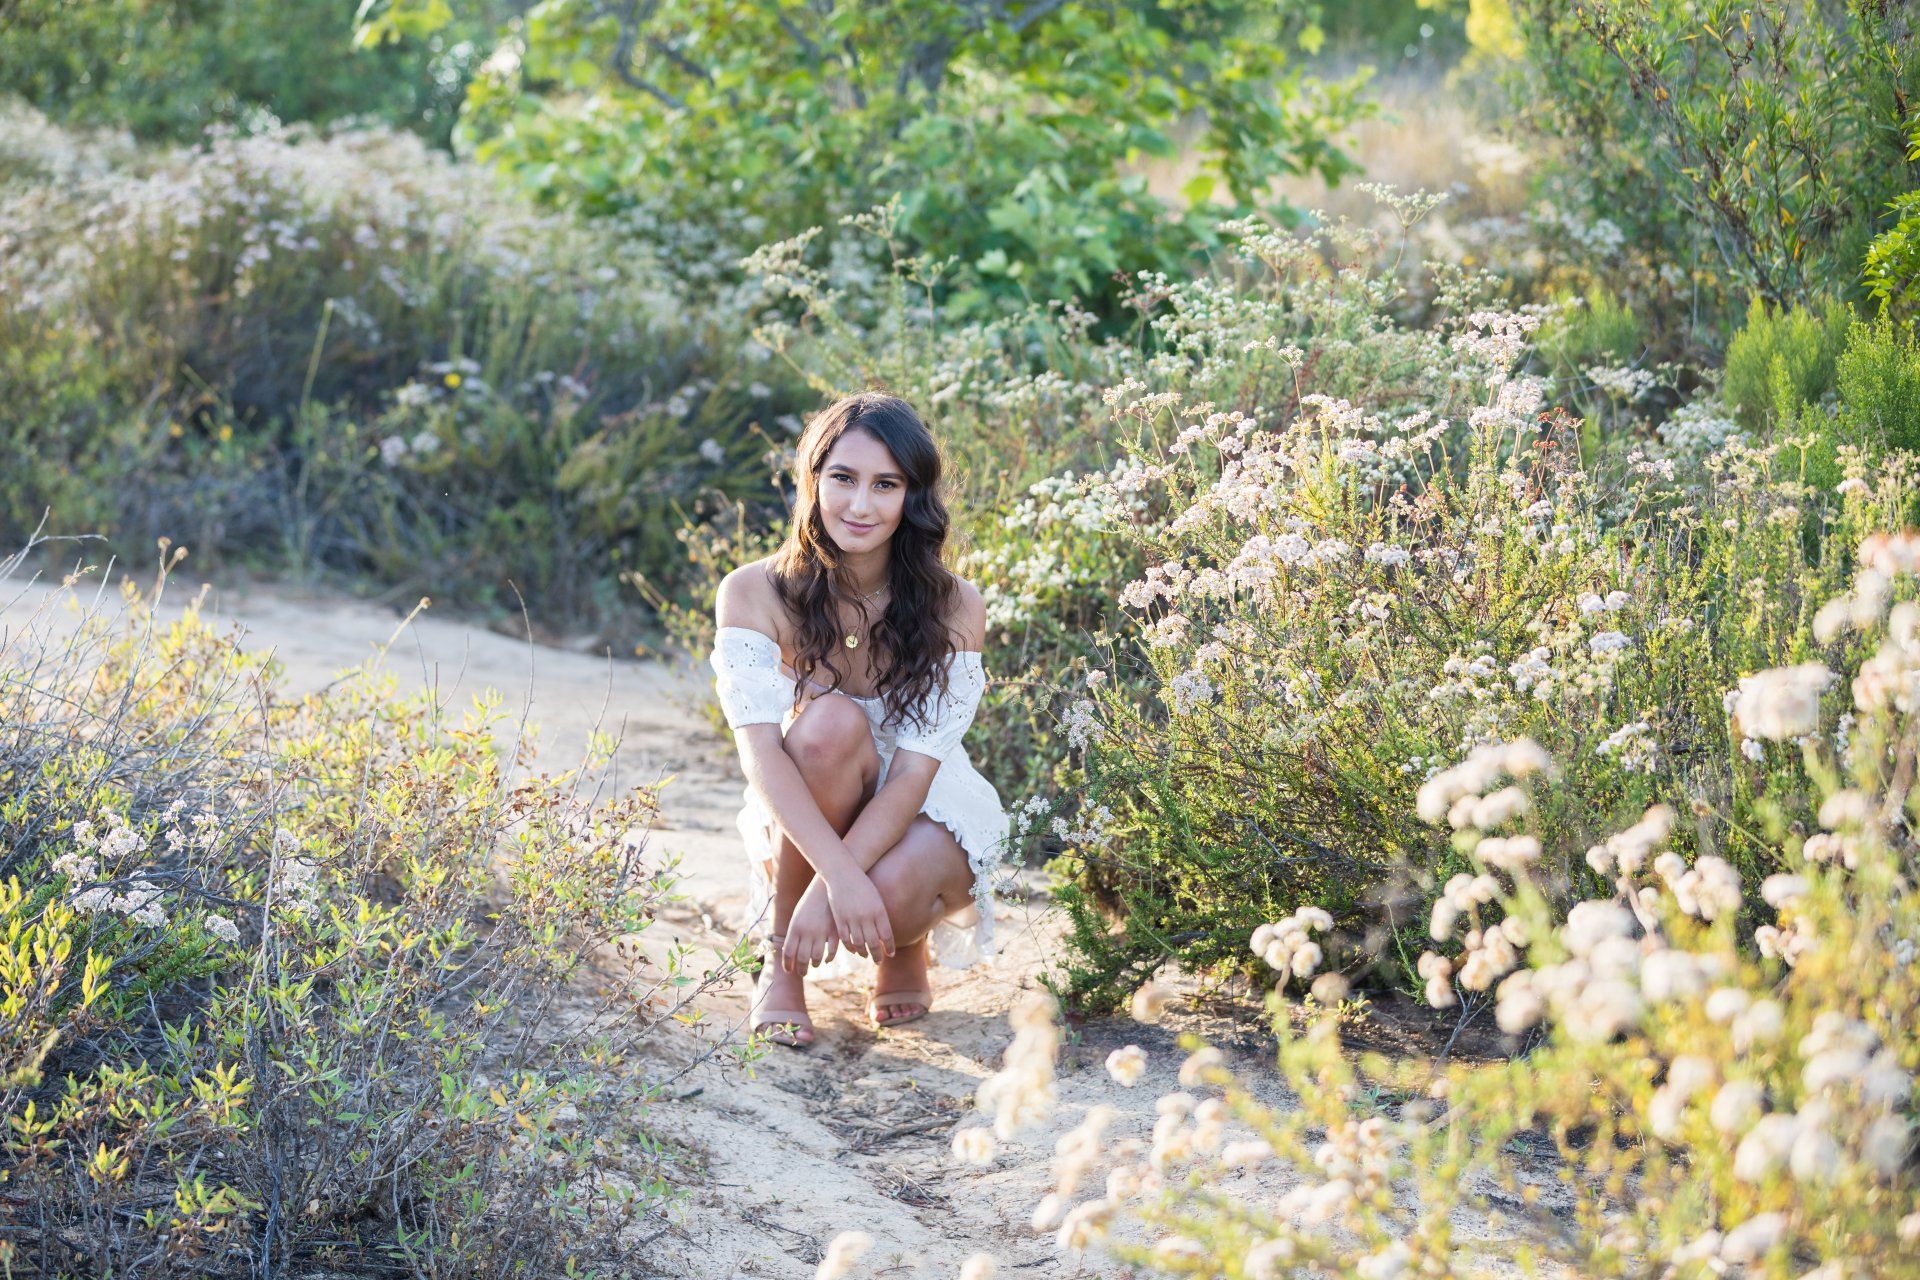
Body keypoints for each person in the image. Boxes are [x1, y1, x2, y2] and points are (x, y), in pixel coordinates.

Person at [708, 391, 1010, 1047]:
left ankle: (907, 946)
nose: (860, 505)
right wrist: (832, 881)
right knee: (827, 727)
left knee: (892, 898)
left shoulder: (954, 605)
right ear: (812, 480)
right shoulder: (752, 592)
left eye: (886, 484)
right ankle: (781, 963)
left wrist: (836, 892)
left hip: (921, 795)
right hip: (811, 793)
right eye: (842, 478)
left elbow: (912, 774)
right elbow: (763, 755)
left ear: (913, 497)